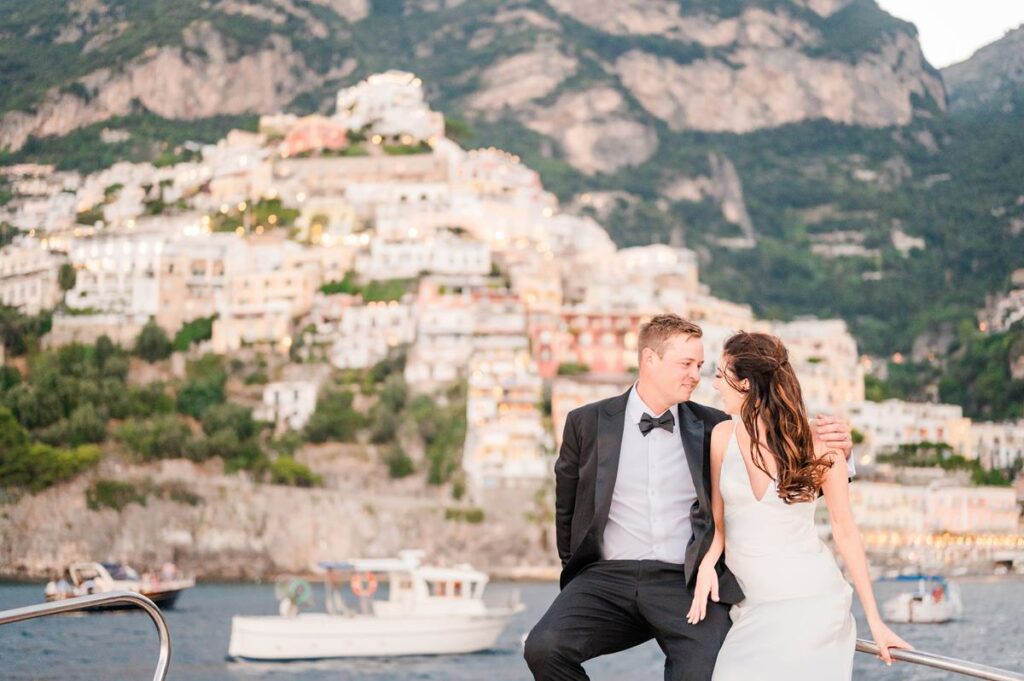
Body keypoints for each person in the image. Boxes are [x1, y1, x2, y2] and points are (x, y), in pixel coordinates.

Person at [524, 315, 855, 681]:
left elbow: (788, 479)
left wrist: (841, 454)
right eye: (686, 364)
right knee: (543, 648)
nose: (696, 375)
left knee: (707, 669)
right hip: (606, 578)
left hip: (684, 579)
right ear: (650, 359)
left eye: (699, 365)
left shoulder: (717, 425)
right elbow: (566, 507)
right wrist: (579, 572)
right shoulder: (587, 421)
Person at [686, 330, 909, 680]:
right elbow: (718, 523)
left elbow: (845, 531)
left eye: (720, 375)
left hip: (811, 600)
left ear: (746, 384)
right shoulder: (721, 437)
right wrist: (706, 567)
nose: (715, 385)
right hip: (754, 605)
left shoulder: (820, 442)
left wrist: (876, 622)